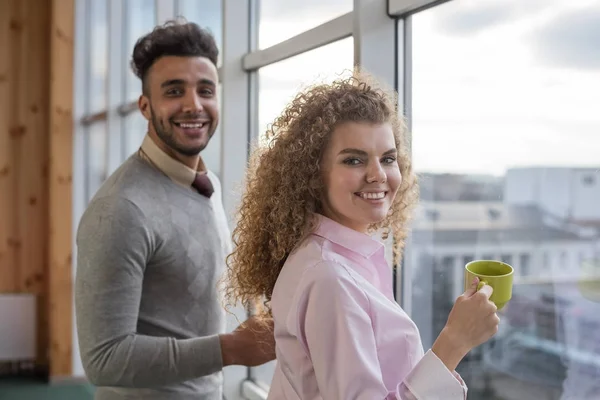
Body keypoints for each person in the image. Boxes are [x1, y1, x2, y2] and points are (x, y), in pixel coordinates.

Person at [223, 71, 500, 399]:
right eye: (353, 160)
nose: (378, 175)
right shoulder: (330, 278)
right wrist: (455, 341)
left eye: (388, 158)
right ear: (312, 174)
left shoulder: (331, 256)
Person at [75, 20, 275, 400]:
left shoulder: (206, 181)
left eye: (205, 90)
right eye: (174, 91)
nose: (193, 105)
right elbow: (103, 359)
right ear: (145, 107)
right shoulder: (120, 210)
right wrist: (230, 349)